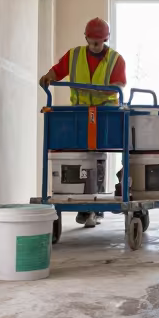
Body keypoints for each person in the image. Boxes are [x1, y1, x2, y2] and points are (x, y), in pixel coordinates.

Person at [40, 17, 126, 227]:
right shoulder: (74, 55)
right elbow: (58, 71)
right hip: (79, 112)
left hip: (105, 113)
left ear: (106, 39)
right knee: (82, 155)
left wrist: (96, 90)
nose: (95, 45)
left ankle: (93, 208)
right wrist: (48, 77)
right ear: (86, 37)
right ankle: (84, 205)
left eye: (99, 41)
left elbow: (119, 85)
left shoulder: (116, 59)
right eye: (91, 40)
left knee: (98, 155)